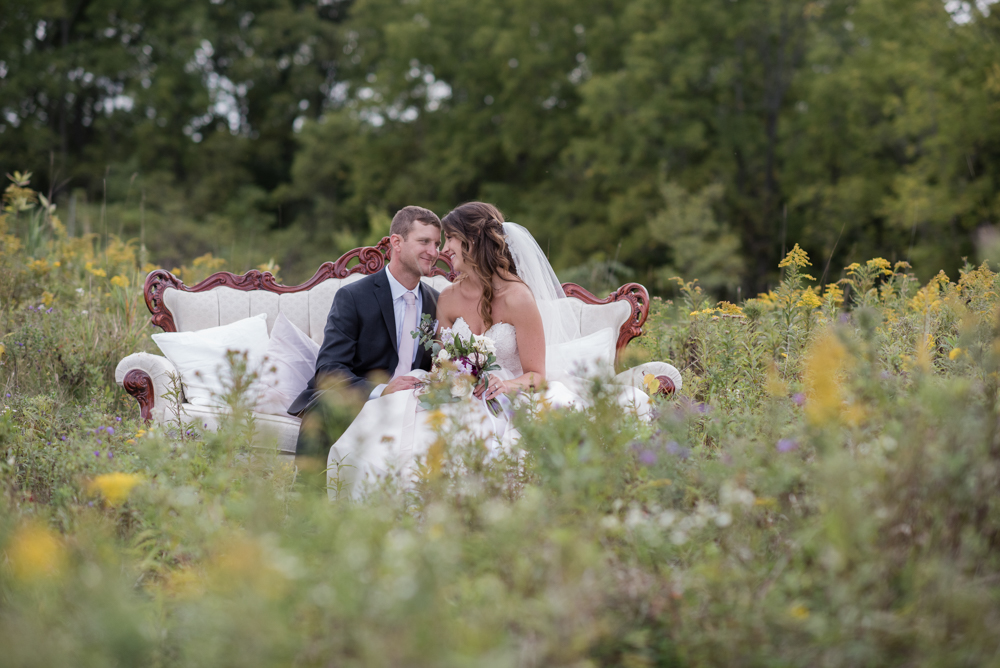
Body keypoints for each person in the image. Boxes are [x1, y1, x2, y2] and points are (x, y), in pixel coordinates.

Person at [325, 202, 651, 498]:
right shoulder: (447, 299)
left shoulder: (518, 298)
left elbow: (536, 374)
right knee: (400, 442)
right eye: (434, 242)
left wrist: (505, 384)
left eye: (447, 239)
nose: (442, 249)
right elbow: (442, 360)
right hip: (460, 395)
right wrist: (448, 378)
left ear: (472, 241)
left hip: (506, 397)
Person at [287, 205, 443, 483]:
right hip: (363, 395)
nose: (434, 252)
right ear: (396, 242)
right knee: (325, 409)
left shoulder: (438, 302)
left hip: (415, 402)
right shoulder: (353, 297)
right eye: (424, 242)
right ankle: (307, 511)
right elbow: (330, 369)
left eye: (437, 243)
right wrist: (382, 390)